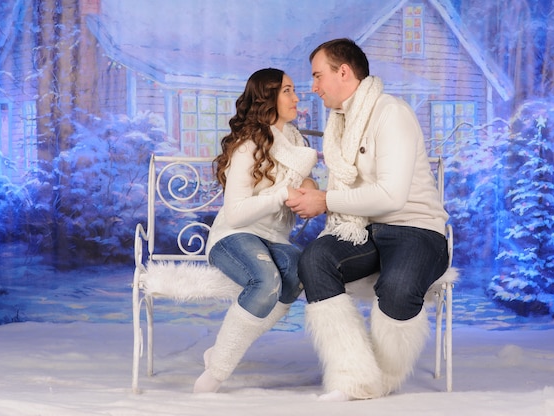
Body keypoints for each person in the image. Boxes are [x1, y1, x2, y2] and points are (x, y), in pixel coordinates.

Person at [285, 38, 450, 401]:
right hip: (363, 227)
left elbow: (392, 197)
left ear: (343, 72)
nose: (312, 87)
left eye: (317, 75)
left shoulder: (391, 112)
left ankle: (384, 377)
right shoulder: (339, 123)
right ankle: (353, 376)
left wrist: (325, 200)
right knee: (315, 260)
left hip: (416, 228)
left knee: (397, 287)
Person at [193, 68, 317, 393]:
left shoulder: (294, 143)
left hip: (274, 239)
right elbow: (235, 214)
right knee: (266, 282)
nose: (297, 97)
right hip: (233, 237)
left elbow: (298, 183)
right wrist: (281, 194)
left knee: (297, 274)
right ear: (268, 97)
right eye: (288, 90)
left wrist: (310, 185)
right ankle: (216, 372)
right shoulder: (248, 146)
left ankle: (218, 352)